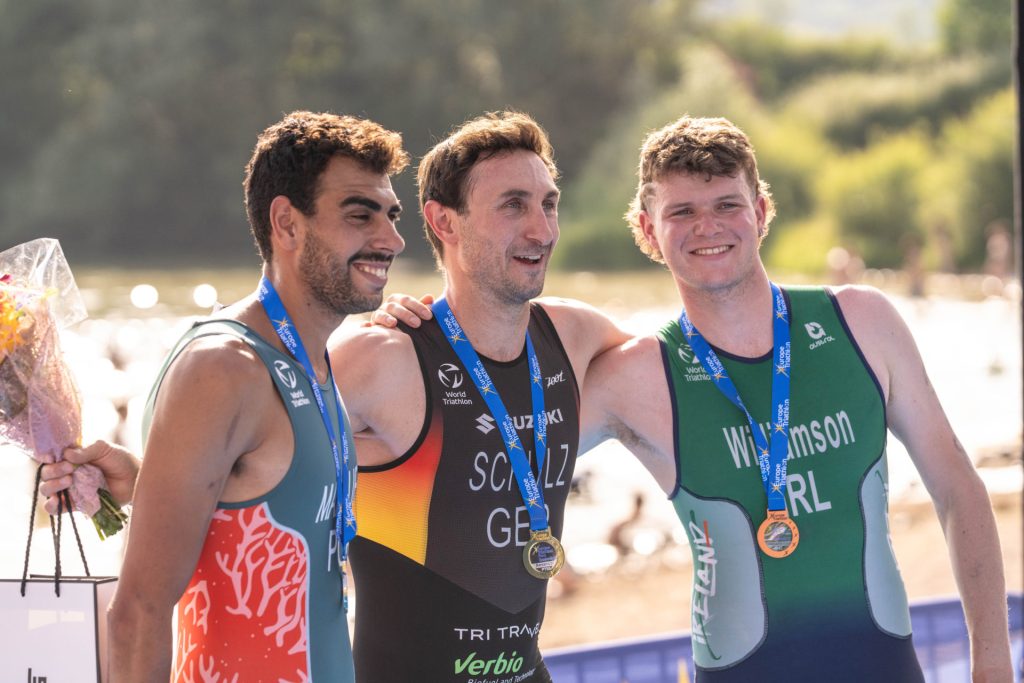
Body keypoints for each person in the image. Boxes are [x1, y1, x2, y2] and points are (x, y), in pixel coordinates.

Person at [578, 115, 1012, 681]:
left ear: (761, 211)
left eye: (727, 205)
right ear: (647, 228)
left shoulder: (862, 321)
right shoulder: (632, 375)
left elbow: (957, 487)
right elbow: (505, 470)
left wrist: (993, 663)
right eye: (681, 211)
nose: (707, 227)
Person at [40, 111, 409, 683]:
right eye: (361, 215)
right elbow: (137, 613)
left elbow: (251, 506)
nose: (391, 240)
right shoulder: (224, 367)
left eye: (391, 215)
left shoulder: (308, 357)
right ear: (287, 224)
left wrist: (147, 484)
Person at [328, 111, 633, 682]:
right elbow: (252, 465)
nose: (542, 230)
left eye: (548, 204)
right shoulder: (381, 356)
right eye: (513, 205)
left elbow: (683, 374)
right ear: (443, 221)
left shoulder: (575, 335)